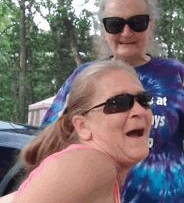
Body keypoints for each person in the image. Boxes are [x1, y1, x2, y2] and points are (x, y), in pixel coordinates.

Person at [40, 0, 184, 203]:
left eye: (137, 22)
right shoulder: (84, 76)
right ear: (104, 29)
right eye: (115, 24)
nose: (126, 32)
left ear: (151, 25)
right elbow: (46, 146)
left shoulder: (175, 74)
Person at [0, 60, 153, 203]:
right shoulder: (92, 163)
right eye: (119, 103)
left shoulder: (87, 171)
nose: (140, 110)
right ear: (82, 126)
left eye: (143, 100)